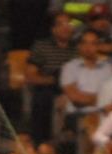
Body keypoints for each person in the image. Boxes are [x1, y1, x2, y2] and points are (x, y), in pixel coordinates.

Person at [26, 12, 76, 142]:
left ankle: (68, 145)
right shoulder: (41, 46)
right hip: (49, 84)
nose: (66, 27)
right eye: (61, 24)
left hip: (73, 86)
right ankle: (41, 142)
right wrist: (54, 80)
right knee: (42, 98)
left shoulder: (78, 47)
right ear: (53, 29)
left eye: (68, 24)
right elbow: (31, 76)